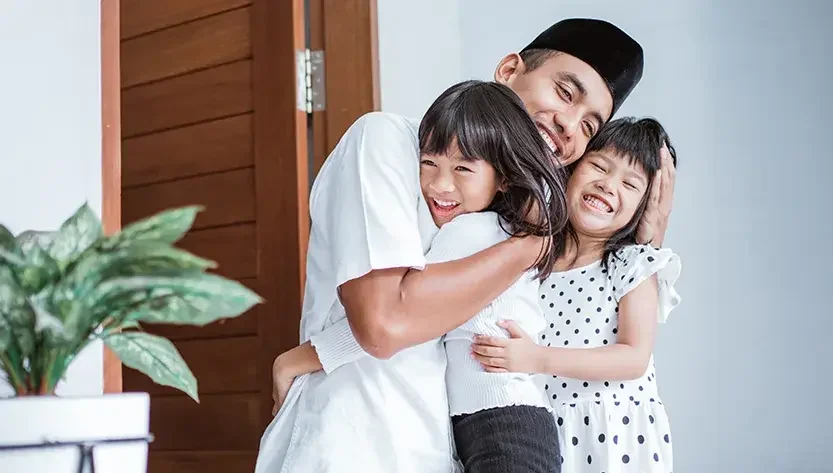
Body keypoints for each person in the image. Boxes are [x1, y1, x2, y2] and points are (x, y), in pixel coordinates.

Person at [259, 18, 664, 473]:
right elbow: (384, 322)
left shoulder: (510, 211)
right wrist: (532, 243)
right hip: (350, 440)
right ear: (509, 70)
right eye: (565, 93)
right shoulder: (387, 141)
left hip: (454, 448)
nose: (569, 125)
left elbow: (604, 304)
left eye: (589, 126)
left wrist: (647, 236)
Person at [266, 80, 568, 473]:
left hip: (501, 422)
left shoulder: (473, 233)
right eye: (428, 163)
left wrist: (298, 359)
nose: (440, 185)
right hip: (510, 415)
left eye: (463, 168)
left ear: (504, 177)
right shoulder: (510, 229)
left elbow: (395, 318)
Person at [471, 117, 682, 472]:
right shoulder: (535, 262)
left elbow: (634, 358)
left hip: (615, 439)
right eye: (599, 166)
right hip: (553, 432)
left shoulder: (632, 263)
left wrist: (537, 358)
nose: (608, 185)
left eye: (630, 184)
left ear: (643, 206)